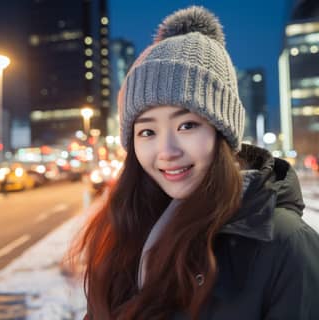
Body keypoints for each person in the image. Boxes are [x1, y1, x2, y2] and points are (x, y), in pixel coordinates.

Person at [77, 6, 319, 320]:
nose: (166, 151)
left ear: (223, 133)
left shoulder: (286, 244)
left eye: (187, 125)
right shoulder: (128, 229)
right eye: (147, 131)